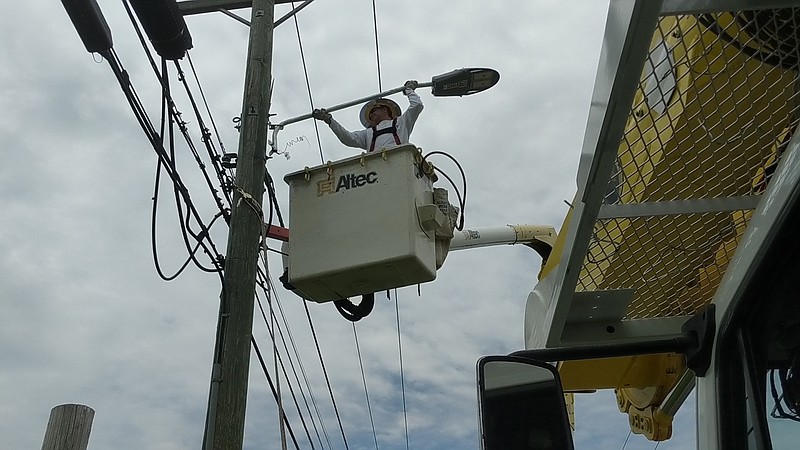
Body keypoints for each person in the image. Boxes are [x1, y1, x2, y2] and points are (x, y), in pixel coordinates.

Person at [312, 80, 423, 152]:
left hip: (400, 161)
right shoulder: (368, 133)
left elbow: (417, 105)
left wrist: (409, 90)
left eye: (374, 110)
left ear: (385, 109)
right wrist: (329, 120)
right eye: (370, 114)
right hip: (375, 167)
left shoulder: (402, 122)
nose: (371, 114)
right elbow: (348, 138)